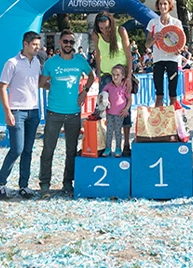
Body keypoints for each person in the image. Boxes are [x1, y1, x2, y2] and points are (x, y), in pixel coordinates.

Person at [39, 30, 96, 195]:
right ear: (59, 43)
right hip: (54, 113)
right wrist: (53, 87)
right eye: (65, 41)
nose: (68, 45)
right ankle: (44, 183)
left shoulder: (80, 60)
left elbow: (91, 76)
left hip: (74, 113)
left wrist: (85, 91)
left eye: (71, 42)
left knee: (71, 150)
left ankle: (67, 182)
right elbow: (42, 82)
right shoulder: (51, 63)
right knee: (48, 149)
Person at [0, 31, 42, 200]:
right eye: (34, 44)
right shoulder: (12, 63)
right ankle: (1, 183)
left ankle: (24, 185)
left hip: (34, 110)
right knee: (17, 149)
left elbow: (38, 83)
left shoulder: (37, 62)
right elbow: (2, 87)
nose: (38, 48)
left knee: (28, 151)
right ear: (25, 44)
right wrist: (7, 111)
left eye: (38, 44)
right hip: (17, 111)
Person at [92, 13, 134, 155]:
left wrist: (128, 76)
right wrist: (99, 74)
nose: (104, 30)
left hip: (121, 73)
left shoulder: (120, 31)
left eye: (107, 28)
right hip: (106, 74)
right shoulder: (96, 35)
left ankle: (126, 143)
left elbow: (129, 54)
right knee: (103, 108)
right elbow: (98, 54)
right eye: (101, 28)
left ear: (111, 24)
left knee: (124, 107)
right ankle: (102, 143)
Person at [146, 0, 185, 107]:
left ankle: (173, 118)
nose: (163, 6)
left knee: (173, 92)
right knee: (159, 93)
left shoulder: (176, 22)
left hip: (173, 59)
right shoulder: (153, 23)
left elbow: (181, 41)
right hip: (158, 59)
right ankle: (159, 119)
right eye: (160, 4)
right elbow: (147, 44)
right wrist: (154, 38)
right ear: (158, 6)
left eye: (165, 4)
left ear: (169, 5)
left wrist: (179, 49)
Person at [104, 64, 132, 157]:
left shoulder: (125, 87)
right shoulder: (108, 86)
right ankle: (108, 148)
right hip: (109, 113)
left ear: (123, 76)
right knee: (109, 131)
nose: (115, 77)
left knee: (118, 131)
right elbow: (103, 96)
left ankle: (118, 148)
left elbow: (129, 99)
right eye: (113, 75)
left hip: (120, 114)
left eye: (118, 75)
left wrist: (126, 109)